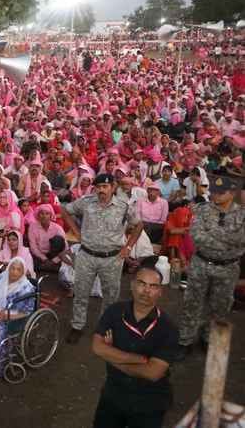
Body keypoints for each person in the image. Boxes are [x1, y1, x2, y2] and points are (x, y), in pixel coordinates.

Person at [90, 265, 178, 428]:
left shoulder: (168, 328)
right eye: (141, 283)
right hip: (113, 395)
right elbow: (97, 347)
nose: (146, 291)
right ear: (131, 285)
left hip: (150, 402)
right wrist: (138, 360)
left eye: (153, 286)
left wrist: (112, 358)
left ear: (160, 292)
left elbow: (153, 373)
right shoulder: (114, 312)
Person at [61, 174, 142, 345]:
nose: (101, 190)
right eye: (98, 187)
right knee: (81, 293)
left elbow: (139, 225)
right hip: (87, 255)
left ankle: (104, 327)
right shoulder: (86, 202)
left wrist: (128, 247)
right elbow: (66, 211)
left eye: (105, 187)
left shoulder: (123, 206)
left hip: (112, 258)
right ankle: (77, 326)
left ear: (113, 187)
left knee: (110, 296)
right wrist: (76, 232)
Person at [176, 175, 245, 359]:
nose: (216, 195)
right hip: (201, 263)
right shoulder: (203, 210)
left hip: (227, 268)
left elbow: (241, 239)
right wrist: (227, 238)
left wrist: (214, 234)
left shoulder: (241, 213)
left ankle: (208, 338)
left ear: (232, 193)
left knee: (220, 307)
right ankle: (185, 340)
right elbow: (196, 235)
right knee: (192, 304)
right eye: (214, 191)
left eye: (221, 192)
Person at [0, 257, 35, 379]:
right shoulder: (1, 278)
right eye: (12, 268)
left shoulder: (26, 288)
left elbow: (26, 312)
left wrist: (5, 316)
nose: (14, 272)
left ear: (23, 272)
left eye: (18, 269)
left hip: (11, 320)